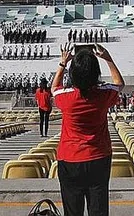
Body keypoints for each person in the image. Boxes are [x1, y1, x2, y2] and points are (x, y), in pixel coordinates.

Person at [52, 43, 124, 216]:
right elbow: (119, 83)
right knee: (98, 209)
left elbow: (54, 87)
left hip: (70, 158)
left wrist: (63, 63)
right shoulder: (104, 94)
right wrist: (108, 58)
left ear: (73, 74)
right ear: (95, 74)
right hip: (98, 157)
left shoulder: (65, 96)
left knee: (72, 210)